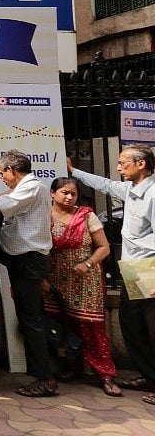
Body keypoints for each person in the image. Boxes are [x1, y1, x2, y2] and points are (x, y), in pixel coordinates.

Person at [68, 146, 155, 405]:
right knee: (131, 323)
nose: (118, 168)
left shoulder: (152, 194)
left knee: (152, 327)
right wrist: (74, 172)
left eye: (122, 163)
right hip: (133, 268)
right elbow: (104, 184)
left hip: (149, 267)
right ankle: (149, 375)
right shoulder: (131, 190)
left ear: (141, 164)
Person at [44, 177, 121, 397]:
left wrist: (88, 263)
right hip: (56, 277)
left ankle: (105, 374)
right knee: (62, 325)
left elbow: (104, 247)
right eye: (64, 193)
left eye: (73, 194)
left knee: (91, 326)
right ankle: (72, 367)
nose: (69, 197)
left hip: (86, 279)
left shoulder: (86, 215)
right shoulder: (44, 216)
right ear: (52, 193)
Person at [0, 149, 58, 398]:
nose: (3, 179)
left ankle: (46, 379)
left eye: (3, 174)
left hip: (29, 260)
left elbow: (0, 206)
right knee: (29, 318)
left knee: (31, 320)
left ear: (11, 170)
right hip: (21, 258)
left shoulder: (32, 187)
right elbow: (7, 197)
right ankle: (43, 375)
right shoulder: (26, 188)